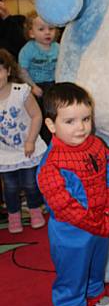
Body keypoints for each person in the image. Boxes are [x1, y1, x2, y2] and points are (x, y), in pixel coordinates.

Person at [37, 83, 109, 306]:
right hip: (71, 232)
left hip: (101, 222)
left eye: (86, 119)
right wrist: (97, 223)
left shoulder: (97, 145)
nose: (81, 127)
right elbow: (63, 207)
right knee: (72, 271)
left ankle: (94, 290)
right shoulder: (51, 165)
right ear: (52, 125)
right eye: (70, 121)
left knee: (97, 262)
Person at [0, 49, 46, 233]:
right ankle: (13, 215)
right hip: (4, 154)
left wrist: (31, 140)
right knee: (10, 187)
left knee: (30, 184)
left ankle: (34, 209)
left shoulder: (21, 92)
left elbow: (36, 115)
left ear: (8, 71)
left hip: (27, 148)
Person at [18, 10, 59, 99]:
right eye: (41, 29)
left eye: (51, 28)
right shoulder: (27, 50)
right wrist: (32, 86)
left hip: (54, 83)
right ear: (31, 33)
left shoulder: (58, 48)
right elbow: (22, 71)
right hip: (34, 84)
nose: (47, 32)